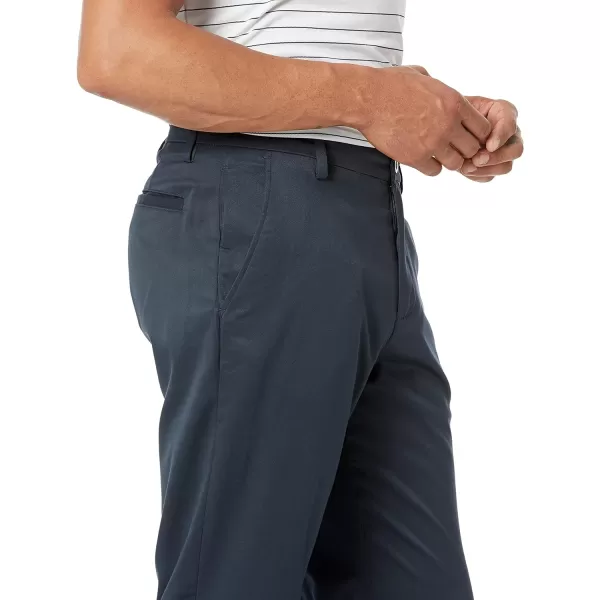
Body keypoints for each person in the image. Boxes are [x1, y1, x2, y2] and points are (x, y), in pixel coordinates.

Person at [78, 1, 524, 599]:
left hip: (365, 214)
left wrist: (439, 117)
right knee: (237, 580)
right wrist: (371, 99)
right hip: (260, 209)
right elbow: (115, 51)